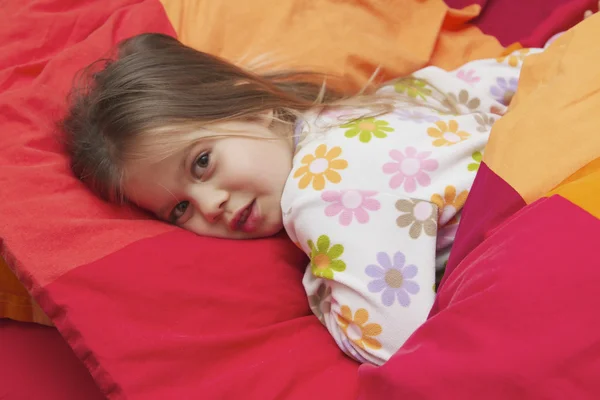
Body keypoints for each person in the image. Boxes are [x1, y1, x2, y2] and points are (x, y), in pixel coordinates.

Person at [61, 33, 543, 365]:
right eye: (180, 209)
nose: (210, 205)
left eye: (201, 162)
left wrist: (317, 282)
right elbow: (509, 75)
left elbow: (390, 344)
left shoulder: (315, 194)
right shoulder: (368, 105)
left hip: (539, 217)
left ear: (246, 101)